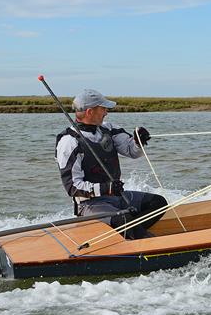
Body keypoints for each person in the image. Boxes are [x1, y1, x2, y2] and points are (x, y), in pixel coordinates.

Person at [55, 89, 167, 239]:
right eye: (103, 109)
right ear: (89, 112)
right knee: (124, 220)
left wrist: (138, 141)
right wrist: (105, 188)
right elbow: (72, 187)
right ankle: (139, 237)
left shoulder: (108, 129)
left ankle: (130, 235)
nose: (106, 112)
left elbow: (132, 151)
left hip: (117, 197)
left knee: (158, 203)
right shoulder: (69, 142)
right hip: (90, 205)